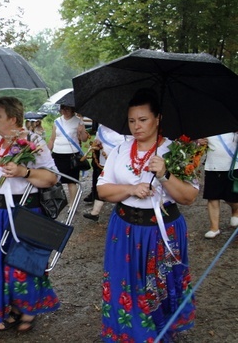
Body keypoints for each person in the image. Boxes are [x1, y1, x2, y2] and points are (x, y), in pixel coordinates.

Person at [97, 88, 197, 341]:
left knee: (160, 286)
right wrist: (130, 189)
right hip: (124, 230)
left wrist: (164, 174)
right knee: (124, 284)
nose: (136, 126)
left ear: (158, 119)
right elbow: (102, 190)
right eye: (132, 121)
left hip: (162, 232)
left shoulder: (176, 151)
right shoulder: (120, 149)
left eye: (143, 120)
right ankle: (131, 335)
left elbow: (188, 197)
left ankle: (161, 333)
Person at [0, 96, 60, 332]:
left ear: (13, 119)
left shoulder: (33, 141)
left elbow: (51, 178)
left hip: (23, 212)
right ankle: (14, 306)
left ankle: (28, 309)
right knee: (1, 264)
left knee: (23, 264)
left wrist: (24, 171)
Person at [197, 132, 238, 238]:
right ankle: (214, 228)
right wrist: (199, 142)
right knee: (212, 197)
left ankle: (235, 210)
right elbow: (196, 145)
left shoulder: (232, 123)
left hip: (233, 166)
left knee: (232, 198)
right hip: (212, 166)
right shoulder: (207, 127)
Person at [83, 124, 127, 222]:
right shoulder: (101, 128)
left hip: (120, 163)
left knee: (121, 186)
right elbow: (97, 140)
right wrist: (97, 144)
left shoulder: (124, 130)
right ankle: (95, 212)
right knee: (102, 183)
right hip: (103, 163)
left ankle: (122, 211)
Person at [47, 103, 89, 204]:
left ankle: (72, 204)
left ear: (72, 109)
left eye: (67, 109)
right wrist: (47, 153)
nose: (64, 111)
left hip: (71, 155)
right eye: (62, 109)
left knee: (71, 181)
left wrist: (81, 131)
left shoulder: (78, 121)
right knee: (54, 179)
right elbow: (52, 139)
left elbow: (84, 139)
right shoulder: (57, 121)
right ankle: (54, 202)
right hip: (57, 154)